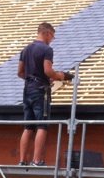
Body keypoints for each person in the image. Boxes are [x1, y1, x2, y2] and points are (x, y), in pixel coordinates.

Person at [17, 22, 73, 166]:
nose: (52, 39)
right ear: (47, 33)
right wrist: (59, 76)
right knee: (42, 125)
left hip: (27, 89)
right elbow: (48, 71)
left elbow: (20, 72)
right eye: (52, 36)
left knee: (28, 126)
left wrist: (33, 78)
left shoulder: (26, 49)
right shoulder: (46, 49)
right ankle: (36, 161)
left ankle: (22, 161)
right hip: (40, 90)